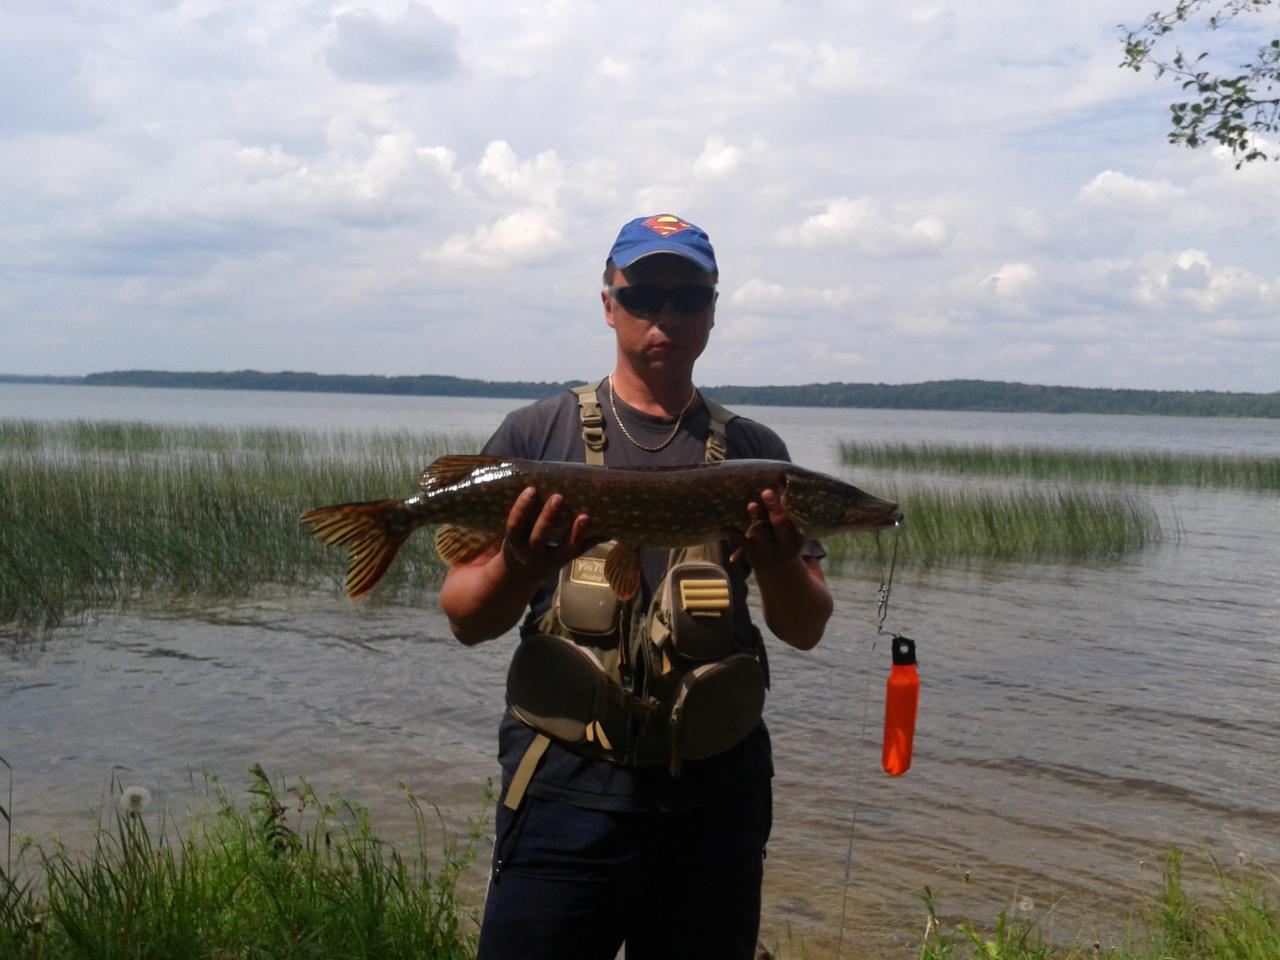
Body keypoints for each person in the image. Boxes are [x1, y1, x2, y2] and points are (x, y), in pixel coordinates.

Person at [439, 214, 834, 960]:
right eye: (644, 295)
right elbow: (465, 618)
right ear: (608, 305)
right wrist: (517, 566)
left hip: (715, 801)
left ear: (712, 311)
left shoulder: (755, 455)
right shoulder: (536, 434)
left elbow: (806, 627)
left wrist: (781, 562)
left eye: (689, 297)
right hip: (562, 793)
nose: (667, 316)